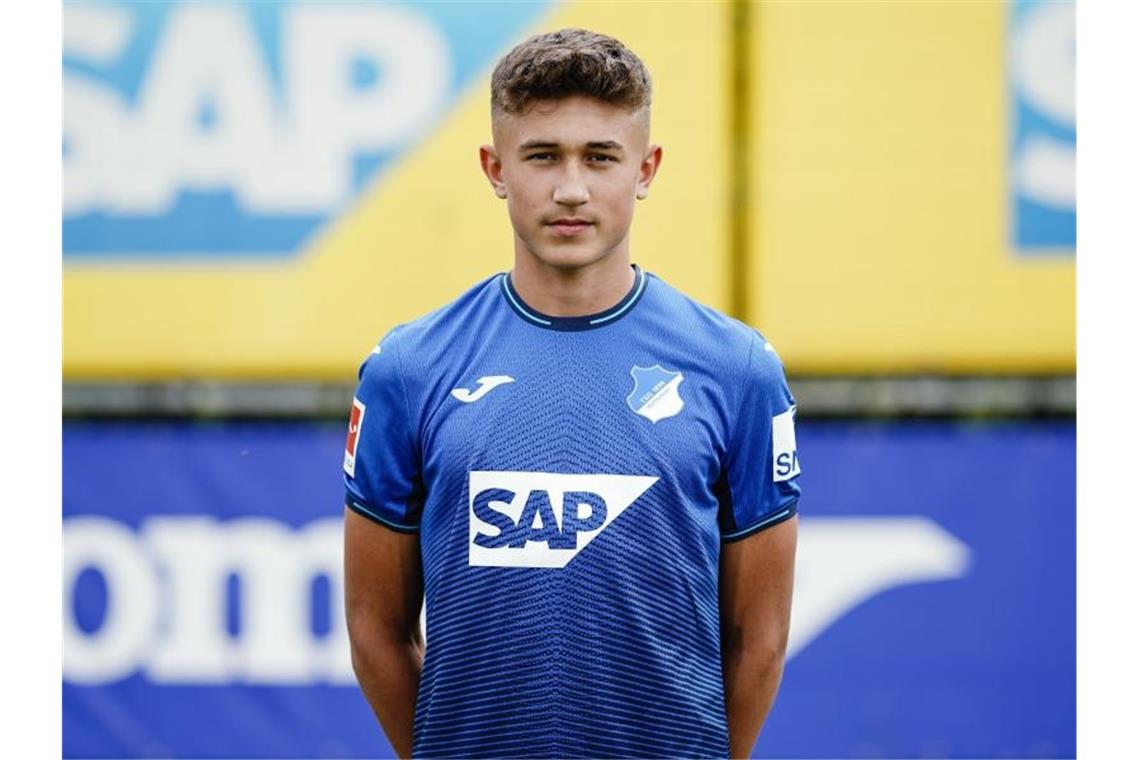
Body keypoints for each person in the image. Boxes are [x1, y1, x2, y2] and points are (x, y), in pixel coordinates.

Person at [343, 28, 800, 759]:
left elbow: (760, 639)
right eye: (542, 156)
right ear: (495, 168)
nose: (571, 189)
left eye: (600, 157)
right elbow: (376, 630)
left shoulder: (737, 369)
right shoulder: (409, 368)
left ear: (646, 168)